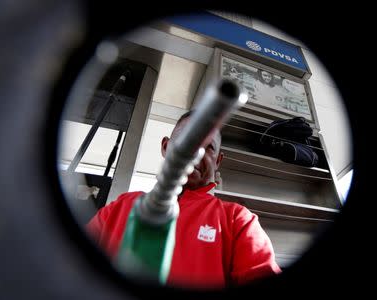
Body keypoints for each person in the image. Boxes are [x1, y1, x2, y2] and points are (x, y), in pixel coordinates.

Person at [86, 111, 282, 289]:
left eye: (209, 147)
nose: (197, 152)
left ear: (218, 161)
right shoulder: (119, 207)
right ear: (165, 146)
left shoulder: (238, 220)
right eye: (188, 139)